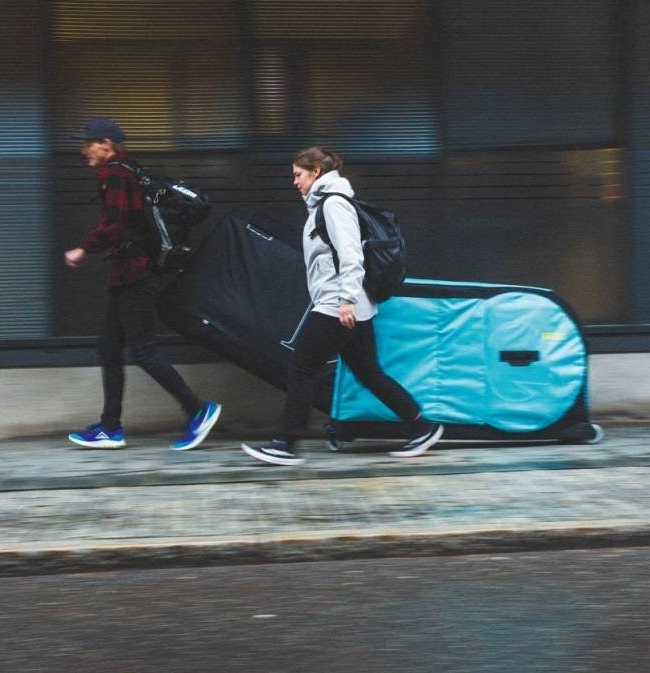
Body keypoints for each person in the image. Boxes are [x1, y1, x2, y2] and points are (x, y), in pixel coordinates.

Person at [242, 146, 443, 466]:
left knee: (302, 367)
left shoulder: (334, 205)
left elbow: (351, 255)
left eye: (298, 175)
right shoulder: (325, 204)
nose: (294, 182)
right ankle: (423, 426)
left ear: (316, 172)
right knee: (369, 373)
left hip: (339, 304)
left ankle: (286, 443)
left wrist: (346, 299)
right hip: (347, 304)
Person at [64, 117, 221, 451]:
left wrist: (83, 248)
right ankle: (110, 427)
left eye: (88, 144)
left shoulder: (116, 173)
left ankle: (198, 409)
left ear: (106, 144)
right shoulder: (130, 170)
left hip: (135, 274)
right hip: (129, 274)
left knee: (144, 351)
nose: (83, 151)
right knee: (109, 347)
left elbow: (115, 225)